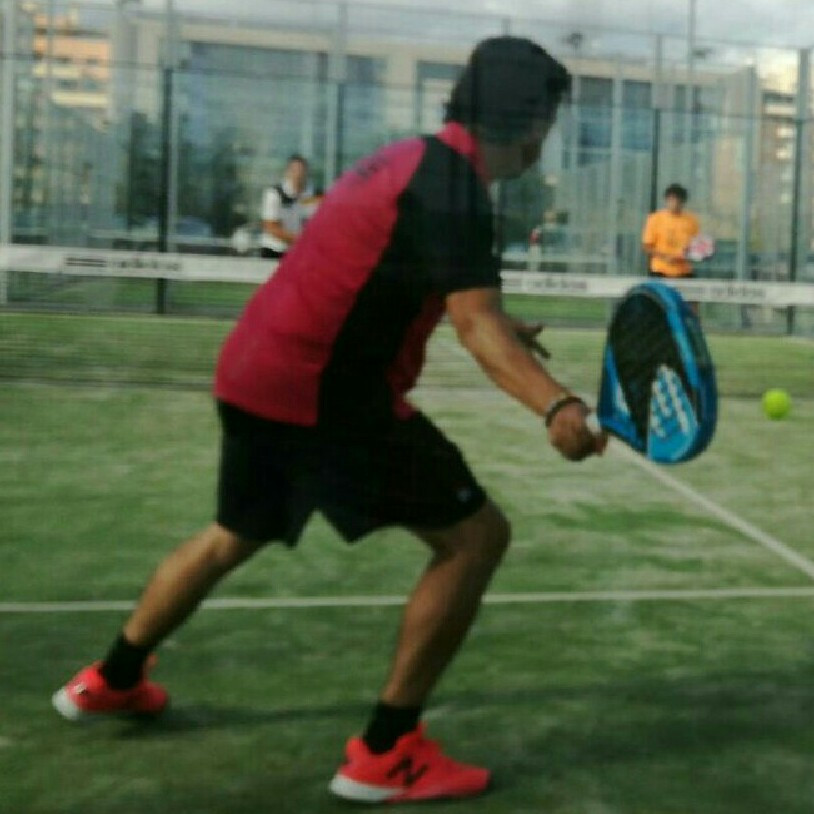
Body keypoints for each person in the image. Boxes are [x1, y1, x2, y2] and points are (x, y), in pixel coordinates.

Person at [52, 37, 604, 805]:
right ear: (532, 122)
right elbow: (474, 322)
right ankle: (386, 751)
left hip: (252, 373)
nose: (548, 137)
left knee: (231, 535)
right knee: (475, 539)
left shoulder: (407, 159)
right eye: (549, 119)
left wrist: (497, 325)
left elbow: (398, 276)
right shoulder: (455, 190)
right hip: (324, 397)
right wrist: (556, 403)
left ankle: (111, 680)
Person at [260, 154, 317, 259]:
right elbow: (270, 226)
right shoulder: (274, 193)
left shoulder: (314, 195)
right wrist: (298, 239)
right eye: (294, 171)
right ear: (287, 172)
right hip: (274, 250)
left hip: (302, 251)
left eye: (301, 171)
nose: (298, 175)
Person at [642, 183, 701, 280]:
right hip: (660, 271)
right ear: (666, 200)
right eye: (671, 200)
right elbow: (647, 246)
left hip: (684, 272)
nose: (675, 204)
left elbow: (696, 245)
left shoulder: (691, 221)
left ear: (683, 202)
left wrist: (686, 254)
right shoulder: (655, 219)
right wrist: (665, 257)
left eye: (678, 201)